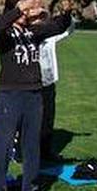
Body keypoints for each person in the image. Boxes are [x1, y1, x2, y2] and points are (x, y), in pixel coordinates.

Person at [0, 0, 74, 191]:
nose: (25, 12)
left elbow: (59, 26)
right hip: (11, 95)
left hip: (34, 94)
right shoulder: (5, 35)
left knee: (31, 144)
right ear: (11, 11)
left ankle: (30, 189)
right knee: (3, 143)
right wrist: (22, 7)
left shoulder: (33, 32)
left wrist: (66, 11)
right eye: (20, 8)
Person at [37, 10, 75, 162]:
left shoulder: (50, 37)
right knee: (29, 120)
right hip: (31, 84)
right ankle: (22, 151)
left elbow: (69, 30)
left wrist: (67, 15)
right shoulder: (27, 36)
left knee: (47, 119)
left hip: (48, 83)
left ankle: (45, 151)